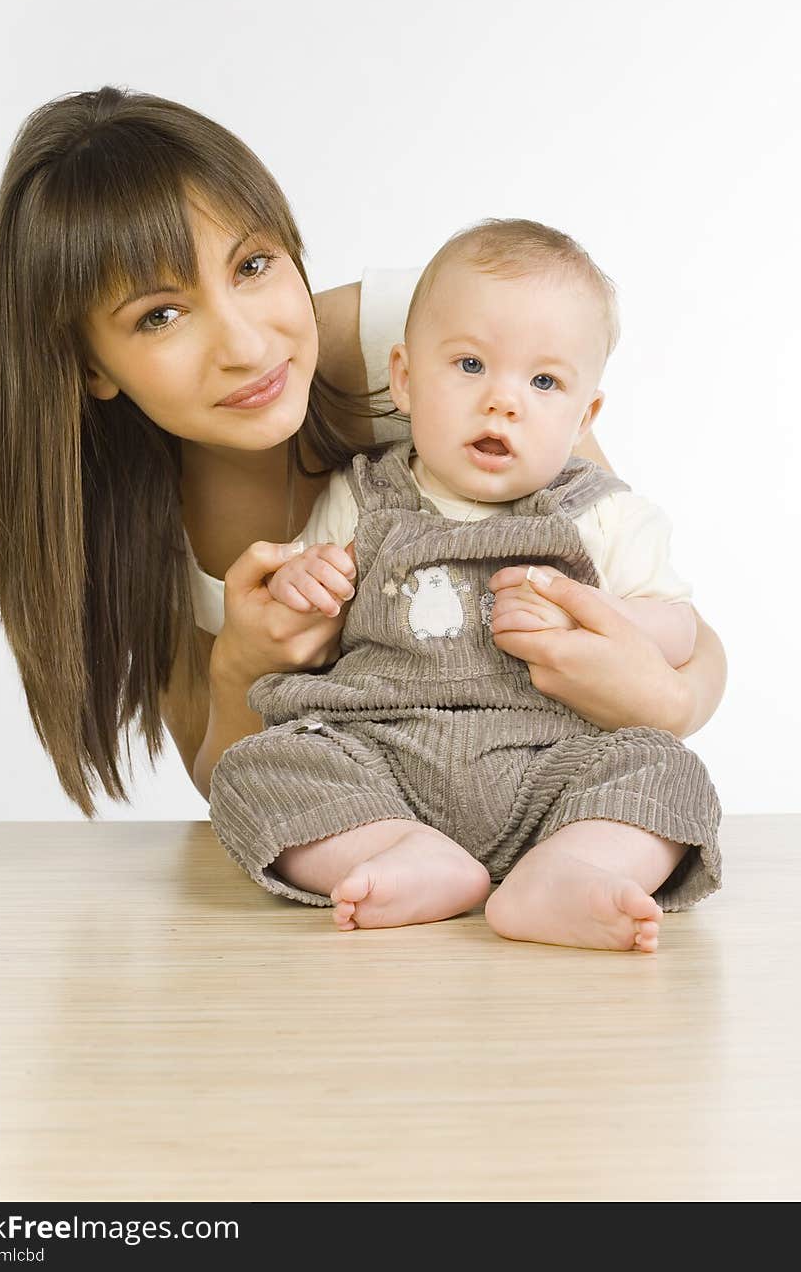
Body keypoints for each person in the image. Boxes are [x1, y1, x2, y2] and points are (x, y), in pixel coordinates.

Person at [0, 87, 726, 840]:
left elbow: (654, 602)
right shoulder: (128, 512)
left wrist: (661, 704)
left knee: (660, 780)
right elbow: (226, 780)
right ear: (89, 366)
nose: (245, 345)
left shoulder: (442, 345)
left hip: (542, 776)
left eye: (254, 264)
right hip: (380, 811)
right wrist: (242, 664)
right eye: (160, 315)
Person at [209, 219, 722, 952]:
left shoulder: (604, 514)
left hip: (554, 764)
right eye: (471, 366)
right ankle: (397, 853)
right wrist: (304, 578)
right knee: (257, 767)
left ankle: (569, 867)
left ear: (585, 416)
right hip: (381, 756)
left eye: (544, 382)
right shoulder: (363, 497)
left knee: (665, 772)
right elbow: (311, 592)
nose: (503, 402)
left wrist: (608, 617)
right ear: (407, 380)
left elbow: (680, 627)